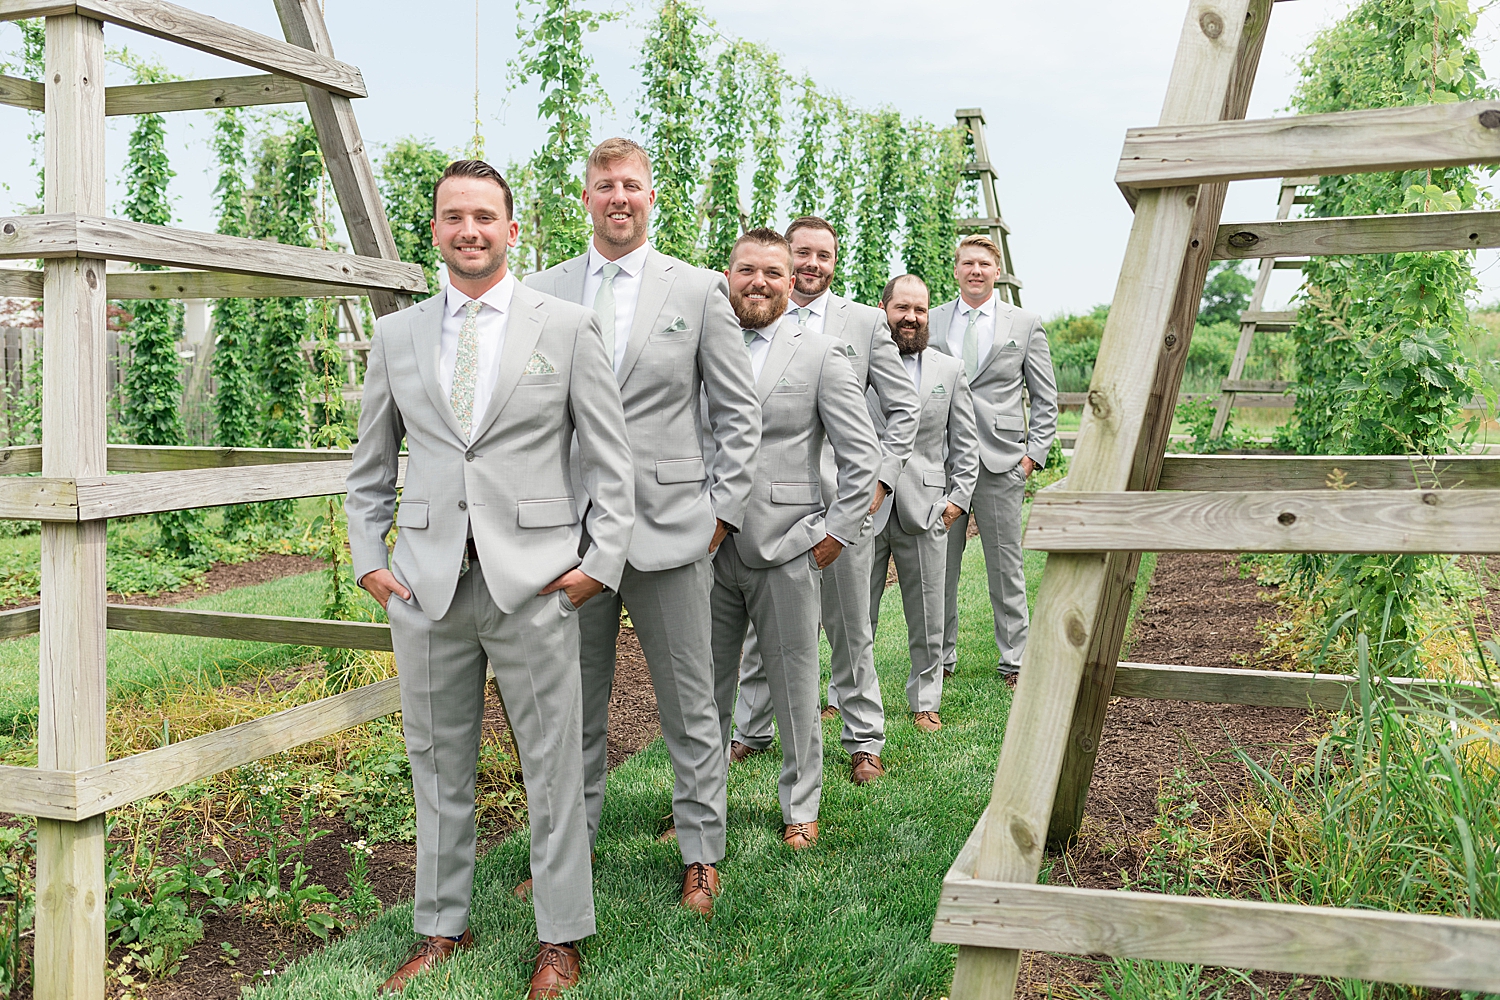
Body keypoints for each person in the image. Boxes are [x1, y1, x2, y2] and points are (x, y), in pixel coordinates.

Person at [346, 159, 634, 999]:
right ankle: (442, 925)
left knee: (553, 767)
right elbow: (371, 465)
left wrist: (596, 565)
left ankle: (561, 936)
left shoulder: (566, 325)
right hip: (427, 586)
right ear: (434, 231)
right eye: (451, 217)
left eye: (484, 217)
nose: (468, 231)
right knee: (436, 763)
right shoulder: (399, 336)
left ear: (513, 230)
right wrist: (370, 556)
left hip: (538, 582)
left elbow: (610, 466)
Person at [524, 137, 760, 917]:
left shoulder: (696, 291)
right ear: (584, 196)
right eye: (603, 185)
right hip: (571, 538)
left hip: (670, 531)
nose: (617, 197)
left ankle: (701, 853)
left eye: (631, 185)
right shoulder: (543, 292)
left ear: (651, 197)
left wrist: (719, 515)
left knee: (690, 703)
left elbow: (737, 414)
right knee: (570, 707)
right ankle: (571, 851)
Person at [731, 217, 919, 785]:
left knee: (850, 626)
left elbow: (904, 406)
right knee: (763, 634)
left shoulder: (862, 323)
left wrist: (879, 483)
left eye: (824, 255)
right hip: (764, 512)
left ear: (837, 261)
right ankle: (752, 729)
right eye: (802, 253)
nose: (813, 264)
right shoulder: (749, 313)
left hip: (843, 505)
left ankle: (863, 739)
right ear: (788, 259)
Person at [710, 229, 881, 849]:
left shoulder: (821, 352)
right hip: (703, 546)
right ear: (727, 274)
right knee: (704, 687)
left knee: (794, 681)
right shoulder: (704, 341)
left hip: (787, 542)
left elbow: (861, 455)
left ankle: (800, 802)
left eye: (773, 273)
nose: (759, 282)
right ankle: (702, 809)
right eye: (746, 269)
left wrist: (836, 532)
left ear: (791, 283)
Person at [928, 236, 1057, 684]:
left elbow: (1045, 397)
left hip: (1002, 462)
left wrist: (1032, 457)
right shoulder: (934, 319)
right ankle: (939, 659)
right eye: (968, 263)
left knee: (1006, 565)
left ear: (996, 271)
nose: (976, 270)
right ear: (957, 268)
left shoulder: (1024, 324)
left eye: (984, 263)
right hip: (943, 460)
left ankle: (1014, 660)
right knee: (939, 566)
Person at [867, 274, 979, 730]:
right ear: (884, 309)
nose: (911, 318)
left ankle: (925, 699)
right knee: (854, 612)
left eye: (920, 310)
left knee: (930, 613)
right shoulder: (855, 360)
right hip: (864, 506)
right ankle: (844, 692)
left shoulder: (947, 370)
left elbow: (965, 444)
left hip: (927, 508)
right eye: (902, 309)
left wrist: (956, 501)